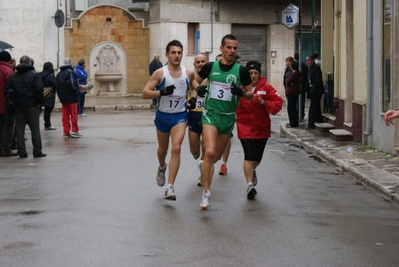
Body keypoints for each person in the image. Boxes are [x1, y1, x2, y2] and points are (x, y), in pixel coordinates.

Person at [194, 34, 253, 210]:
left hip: (228, 117)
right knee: (210, 152)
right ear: (221, 49)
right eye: (229, 47)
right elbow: (194, 82)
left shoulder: (241, 71)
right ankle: (206, 194)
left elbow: (250, 94)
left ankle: (204, 165)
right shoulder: (211, 67)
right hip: (211, 114)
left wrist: (241, 92)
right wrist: (199, 89)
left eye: (235, 48)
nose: (232, 51)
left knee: (215, 158)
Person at [142, 40, 196, 201]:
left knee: (176, 148)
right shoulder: (160, 73)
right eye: (173, 52)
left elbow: (194, 87)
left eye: (179, 52)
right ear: (167, 55)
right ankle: (161, 167)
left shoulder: (188, 73)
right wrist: (161, 92)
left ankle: (170, 187)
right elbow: (145, 93)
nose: (177, 55)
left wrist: (193, 98)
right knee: (162, 149)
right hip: (162, 116)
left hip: (180, 116)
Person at [236, 61, 283, 199]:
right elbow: (231, 101)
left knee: (257, 158)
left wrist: (264, 102)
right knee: (248, 155)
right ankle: (249, 185)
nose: (253, 76)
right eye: (250, 73)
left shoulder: (266, 87)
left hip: (261, 127)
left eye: (255, 73)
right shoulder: (241, 87)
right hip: (244, 125)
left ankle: (253, 170)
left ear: (259, 75)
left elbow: (278, 103)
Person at [4, 55, 46, 158]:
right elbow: (39, 89)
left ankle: (22, 152)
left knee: (19, 129)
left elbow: (6, 90)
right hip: (32, 105)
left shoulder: (13, 76)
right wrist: (39, 102)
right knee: (35, 129)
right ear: (29, 63)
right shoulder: (34, 75)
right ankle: (37, 151)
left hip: (18, 105)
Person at [188, 54, 207, 186]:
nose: (200, 63)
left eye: (203, 61)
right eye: (198, 62)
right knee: (195, 151)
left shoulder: (213, 78)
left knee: (206, 147)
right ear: (194, 64)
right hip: (193, 115)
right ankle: (198, 153)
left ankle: (202, 174)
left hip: (208, 115)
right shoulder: (190, 79)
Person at [57, 58, 85, 138]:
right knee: (73, 114)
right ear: (70, 64)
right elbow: (72, 85)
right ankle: (75, 131)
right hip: (71, 97)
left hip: (63, 97)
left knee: (65, 116)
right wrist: (79, 87)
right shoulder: (70, 72)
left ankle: (66, 132)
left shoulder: (59, 73)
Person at [215, 53, 232, 176]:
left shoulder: (232, 75)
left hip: (226, 112)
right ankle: (205, 161)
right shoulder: (211, 74)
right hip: (211, 112)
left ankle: (223, 164)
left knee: (226, 138)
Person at [0, 51, 17, 157]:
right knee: (8, 127)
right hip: (5, 104)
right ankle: (5, 148)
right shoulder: (8, 70)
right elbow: (12, 88)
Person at [306, 55, 324, 130]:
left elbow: (318, 80)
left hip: (317, 91)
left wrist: (314, 88)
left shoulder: (316, 68)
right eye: (307, 60)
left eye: (309, 60)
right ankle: (320, 121)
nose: (308, 62)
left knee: (313, 107)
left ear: (313, 60)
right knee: (316, 107)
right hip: (312, 90)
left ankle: (311, 124)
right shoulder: (309, 68)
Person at [40, 62, 57, 130]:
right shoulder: (51, 75)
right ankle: (47, 124)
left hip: (41, 94)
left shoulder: (40, 75)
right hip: (49, 95)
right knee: (48, 111)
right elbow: (55, 85)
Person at [285, 60, 301, 128]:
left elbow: (287, 81)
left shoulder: (294, 74)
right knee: (292, 108)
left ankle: (293, 123)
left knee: (291, 109)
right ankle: (292, 122)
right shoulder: (296, 73)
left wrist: (289, 82)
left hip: (292, 92)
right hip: (292, 92)